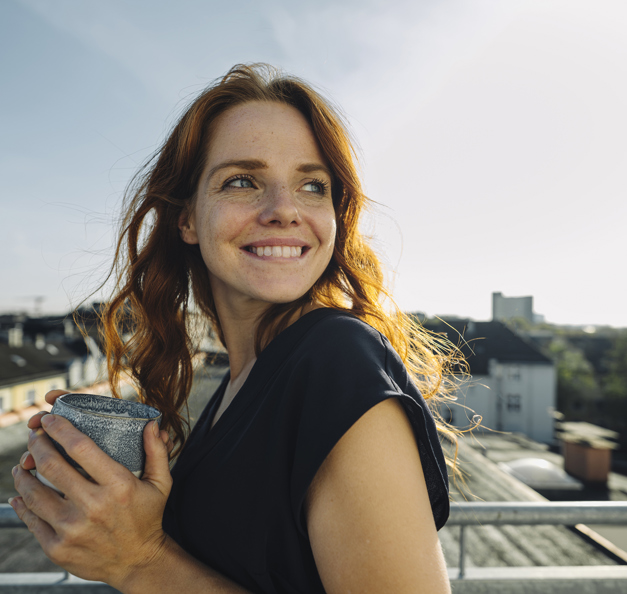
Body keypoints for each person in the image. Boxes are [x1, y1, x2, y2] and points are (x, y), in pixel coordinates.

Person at [12, 64, 461, 593]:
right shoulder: (240, 384)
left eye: (312, 185)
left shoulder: (335, 361)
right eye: (243, 181)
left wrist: (141, 562)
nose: (284, 210)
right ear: (186, 219)